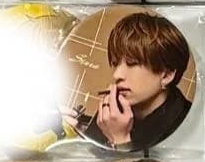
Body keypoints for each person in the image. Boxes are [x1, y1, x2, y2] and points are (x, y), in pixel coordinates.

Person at [70, 11, 192, 150]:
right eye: (115, 63)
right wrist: (74, 131)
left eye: (132, 63)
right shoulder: (114, 109)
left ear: (167, 75)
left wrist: (120, 140)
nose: (117, 74)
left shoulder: (189, 125)